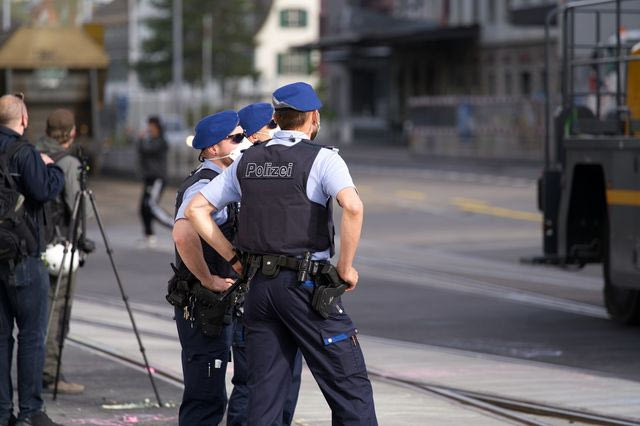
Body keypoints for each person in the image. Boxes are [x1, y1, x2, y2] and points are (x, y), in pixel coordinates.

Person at [186, 82, 378, 425]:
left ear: (276, 117)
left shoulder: (246, 162)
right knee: (350, 388)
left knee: (265, 395)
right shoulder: (323, 159)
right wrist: (345, 268)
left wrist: (233, 258)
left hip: (260, 292)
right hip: (306, 289)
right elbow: (353, 207)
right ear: (314, 119)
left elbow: (196, 210)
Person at [172, 111, 251, 426]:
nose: (242, 142)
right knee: (205, 397)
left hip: (218, 305)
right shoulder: (205, 184)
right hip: (204, 304)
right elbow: (183, 232)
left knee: (220, 390)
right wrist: (208, 277)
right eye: (235, 138)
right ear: (213, 148)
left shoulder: (225, 181)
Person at [227, 102, 301, 426]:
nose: (278, 131)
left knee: (273, 378)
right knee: (254, 381)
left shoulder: (249, 165)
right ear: (258, 132)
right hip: (260, 289)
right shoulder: (246, 166)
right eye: (273, 125)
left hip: (260, 289)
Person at [0, 93, 64, 426]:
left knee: (0, 339)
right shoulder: (25, 153)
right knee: (31, 336)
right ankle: (30, 412)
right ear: (23, 120)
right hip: (23, 256)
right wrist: (54, 171)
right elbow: (42, 192)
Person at [34, 109, 85, 394]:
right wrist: (81, 244)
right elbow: (78, 208)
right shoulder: (69, 164)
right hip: (60, 248)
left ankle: (38, 369)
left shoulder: (31, 154)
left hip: (32, 244)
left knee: (38, 313)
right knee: (58, 310)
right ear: (73, 132)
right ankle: (50, 373)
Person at [137, 116, 173, 247]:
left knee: (151, 205)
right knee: (143, 207)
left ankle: (175, 225)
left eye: (150, 126)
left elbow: (147, 150)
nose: (148, 128)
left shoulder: (161, 141)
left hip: (158, 178)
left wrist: (141, 140)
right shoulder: (151, 140)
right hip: (149, 179)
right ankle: (149, 235)